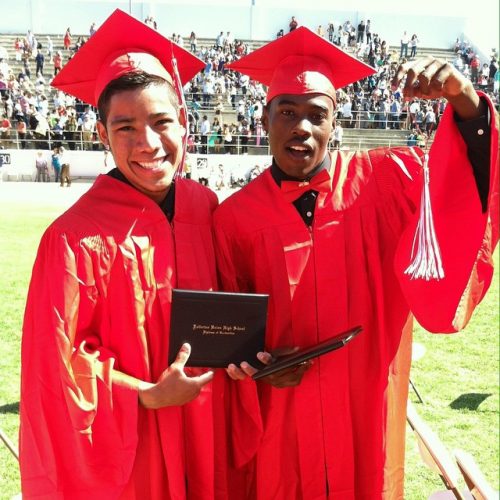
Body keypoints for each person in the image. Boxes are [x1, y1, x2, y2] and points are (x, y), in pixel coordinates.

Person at [214, 27, 498, 498]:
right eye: (286, 112)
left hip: (369, 408)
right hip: (282, 425)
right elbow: (224, 332)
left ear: (334, 124)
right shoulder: (233, 220)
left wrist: (464, 98)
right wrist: (254, 363)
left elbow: (466, 185)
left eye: (316, 115)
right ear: (263, 119)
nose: (301, 127)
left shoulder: (386, 182)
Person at [19, 10, 225, 499]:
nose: (147, 143)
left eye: (160, 122)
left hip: (206, 430)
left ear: (185, 123)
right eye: (125, 126)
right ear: (101, 135)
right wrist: (147, 395)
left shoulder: (207, 209)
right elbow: (60, 367)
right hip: (134, 457)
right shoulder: (72, 238)